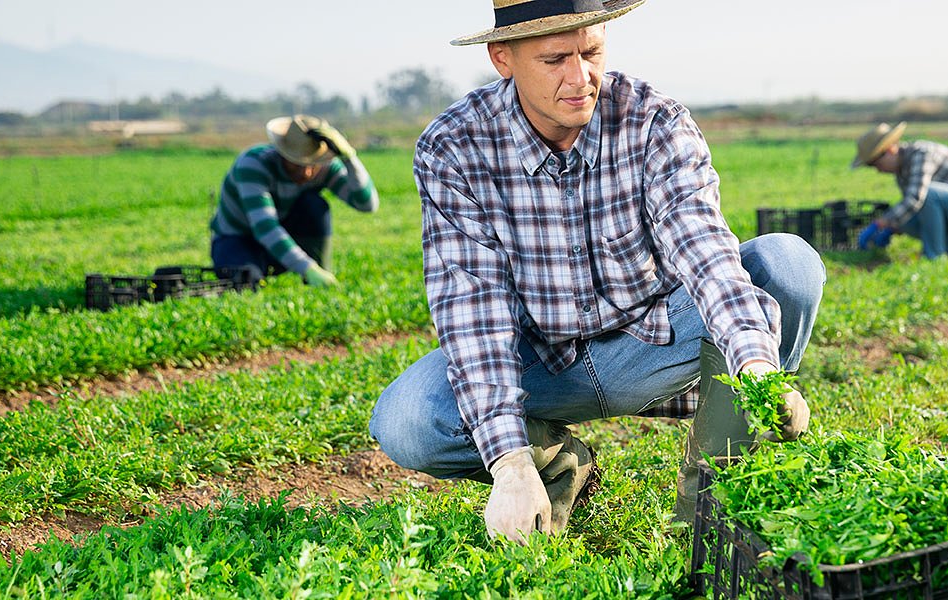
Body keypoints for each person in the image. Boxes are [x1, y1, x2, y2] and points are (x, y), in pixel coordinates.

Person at [368, 0, 826, 544]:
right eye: (555, 58)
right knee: (409, 419)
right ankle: (558, 464)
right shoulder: (455, 147)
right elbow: (473, 305)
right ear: (502, 58)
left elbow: (703, 249)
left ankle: (714, 490)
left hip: (654, 340)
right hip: (541, 362)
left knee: (786, 264)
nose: (580, 77)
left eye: (591, 52)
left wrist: (755, 367)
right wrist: (511, 461)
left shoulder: (652, 119)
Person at [209, 114, 378, 286]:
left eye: (312, 164)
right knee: (246, 280)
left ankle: (318, 277)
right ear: (282, 153)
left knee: (315, 205)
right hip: (237, 238)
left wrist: (349, 158)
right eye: (297, 163)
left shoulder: (324, 167)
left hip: (284, 237)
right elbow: (265, 227)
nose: (306, 172)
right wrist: (308, 268)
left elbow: (366, 204)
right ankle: (302, 272)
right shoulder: (254, 164)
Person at [852, 122, 948, 259]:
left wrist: (883, 222)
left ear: (890, 149)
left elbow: (915, 198)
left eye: (875, 163)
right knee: (906, 220)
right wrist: (894, 227)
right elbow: (916, 211)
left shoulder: (921, 153)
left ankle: (933, 256)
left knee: (928, 194)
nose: (877, 170)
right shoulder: (901, 173)